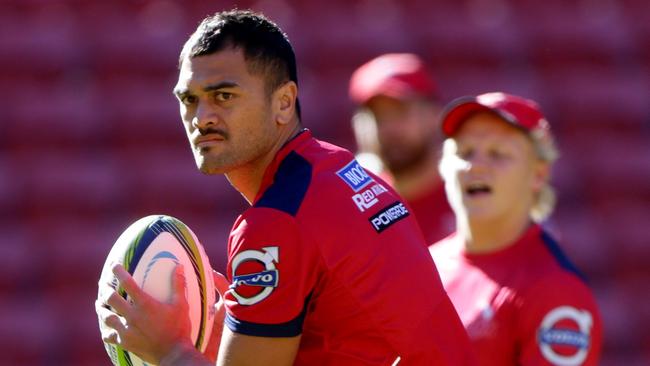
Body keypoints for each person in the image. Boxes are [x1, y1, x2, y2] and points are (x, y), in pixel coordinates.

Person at [96, 9, 474, 366]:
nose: (202, 117)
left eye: (224, 96)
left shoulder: (275, 222)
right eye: (189, 99)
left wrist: (168, 351)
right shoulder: (339, 168)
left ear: (284, 102)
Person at [429, 92, 602, 365]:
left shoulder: (556, 291)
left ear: (539, 174)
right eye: (464, 152)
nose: (476, 166)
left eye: (498, 153)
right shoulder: (425, 264)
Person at [348, 53, 454, 244]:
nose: (389, 128)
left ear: (433, 115)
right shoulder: (350, 205)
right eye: (377, 116)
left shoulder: (468, 195)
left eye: (400, 112)